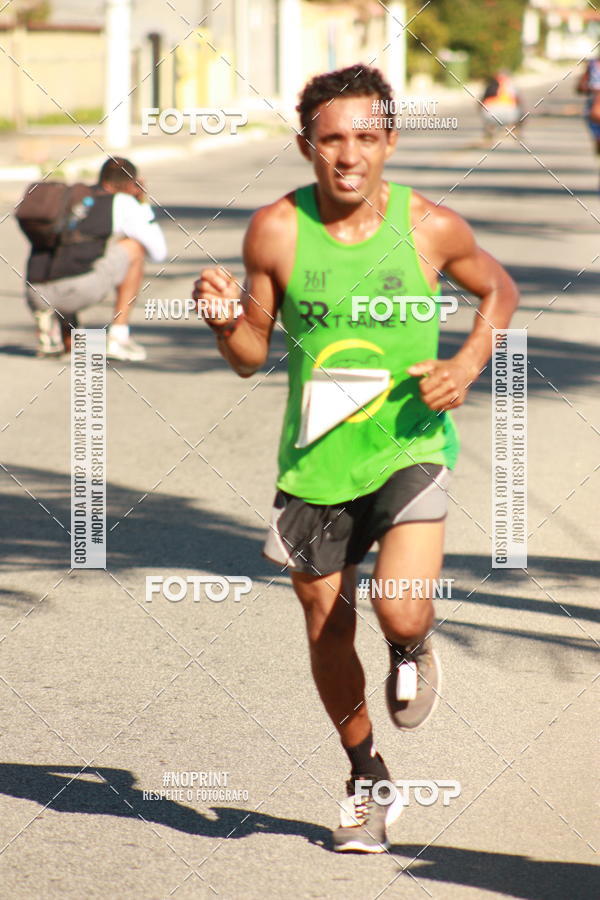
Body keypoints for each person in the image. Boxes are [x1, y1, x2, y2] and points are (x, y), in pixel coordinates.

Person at [193, 64, 519, 853]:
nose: (349, 155)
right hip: (315, 465)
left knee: (398, 606)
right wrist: (223, 320)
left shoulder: (430, 227)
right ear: (306, 145)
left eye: (366, 137)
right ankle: (366, 775)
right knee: (326, 628)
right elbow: (250, 355)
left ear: (390, 142)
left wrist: (467, 363)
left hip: (410, 444)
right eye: (332, 139)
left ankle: (411, 644)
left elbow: (499, 290)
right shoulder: (275, 231)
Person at [24, 157, 167, 360]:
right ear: (132, 184)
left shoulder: (70, 197)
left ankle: (63, 336)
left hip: (35, 293)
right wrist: (142, 202)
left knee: (68, 251)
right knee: (133, 248)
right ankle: (118, 337)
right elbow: (159, 252)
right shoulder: (123, 202)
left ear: (101, 178)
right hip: (76, 291)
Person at [576, 53, 600, 188]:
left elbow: (580, 87)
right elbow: (580, 87)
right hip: (594, 113)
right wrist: (593, 89)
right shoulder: (592, 65)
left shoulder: (593, 65)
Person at [480, 70, 524, 143]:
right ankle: (516, 131)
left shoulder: (490, 85)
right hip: (510, 114)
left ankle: (489, 130)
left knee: (487, 110)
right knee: (520, 111)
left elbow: (481, 103)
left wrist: (482, 115)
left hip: (490, 114)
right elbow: (519, 102)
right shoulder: (511, 86)